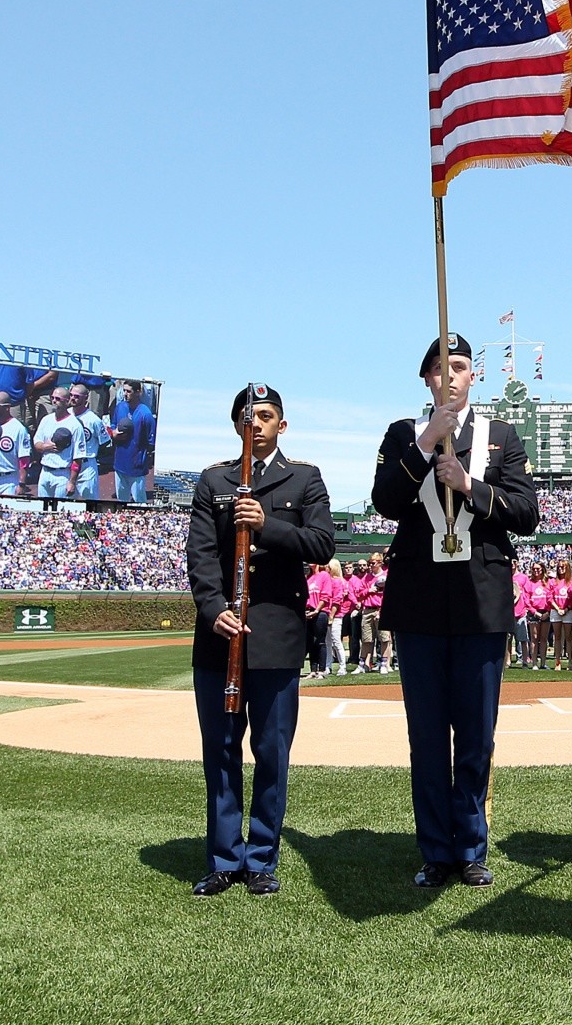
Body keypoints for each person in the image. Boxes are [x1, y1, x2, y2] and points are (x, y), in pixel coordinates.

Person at [370, 333, 538, 889]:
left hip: (480, 601)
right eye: (441, 368)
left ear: (473, 378)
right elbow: (386, 501)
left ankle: (471, 846)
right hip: (420, 602)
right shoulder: (402, 434)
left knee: (475, 733)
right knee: (425, 736)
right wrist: (426, 445)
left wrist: (470, 485)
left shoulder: (502, 437)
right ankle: (435, 850)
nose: (452, 376)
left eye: (461, 367)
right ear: (427, 380)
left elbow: (526, 513)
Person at [185, 384, 334, 896]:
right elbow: (201, 556)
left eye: (267, 416)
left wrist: (267, 525)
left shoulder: (305, 478)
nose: (258, 424)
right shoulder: (214, 481)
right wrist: (213, 610)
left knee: (271, 751)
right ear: (236, 425)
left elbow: (320, 542)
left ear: (282, 425)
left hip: (276, 634)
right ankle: (224, 858)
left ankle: (262, 857)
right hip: (220, 637)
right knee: (221, 750)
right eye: (249, 417)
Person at [111, 380, 157, 503]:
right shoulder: (120, 407)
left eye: (129, 391)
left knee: (139, 502)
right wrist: (113, 433)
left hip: (136, 467)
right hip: (120, 463)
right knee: (122, 501)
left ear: (138, 393)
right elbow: (113, 425)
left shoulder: (145, 414)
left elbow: (151, 442)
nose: (125, 394)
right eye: (124, 391)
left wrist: (144, 459)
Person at [32, 387, 78, 499]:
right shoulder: (46, 420)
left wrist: (72, 482)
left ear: (67, 402)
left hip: (62, 474)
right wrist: (44, 446)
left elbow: (78, 457)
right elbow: (36, 443)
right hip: (45, 471)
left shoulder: (74, 425)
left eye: (58, 398)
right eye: (52, 398)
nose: (53, 401)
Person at [68, 389, 112, 500]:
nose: (73, 398)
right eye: (71, 395)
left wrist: (93, 452)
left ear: (85, 398)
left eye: (77, 396)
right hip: (68, 463)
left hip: (86, 464)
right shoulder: (66, 415)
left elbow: (105, 443)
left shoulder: (94, 420)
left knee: (91, 502)